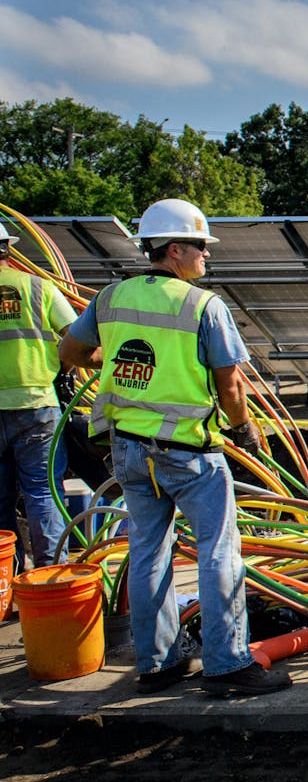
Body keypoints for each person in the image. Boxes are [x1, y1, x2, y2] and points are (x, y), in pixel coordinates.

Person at [59, 198, 289, 697]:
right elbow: (230, 384)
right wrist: (244, 429)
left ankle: (158, 663)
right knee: (219, 553)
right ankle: (227, 664)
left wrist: (115, 361)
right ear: (176, 249)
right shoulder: (203, 305)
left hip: (128, 451)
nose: (207, 258)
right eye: (202, 249)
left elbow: (70, 352)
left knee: (145, 552)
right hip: (188, 453)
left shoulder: (111, 298)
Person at [0, 220, 78, 574]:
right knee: (42, 492)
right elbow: (77, 340)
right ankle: (50, 576)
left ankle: (8, 579)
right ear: (8, 250)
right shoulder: (38, 288)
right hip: (36, 404)